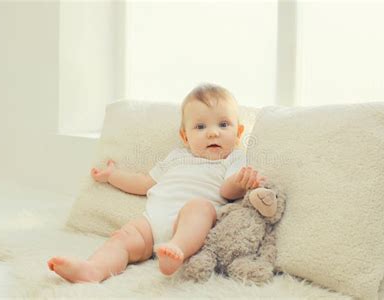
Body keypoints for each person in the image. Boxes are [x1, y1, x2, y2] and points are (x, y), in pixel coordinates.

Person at [47, 83, 265, 283]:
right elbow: (144, 183)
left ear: (238, 133)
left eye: (223, 124)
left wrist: (242, 181)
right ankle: (94, 269)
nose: (213, 133)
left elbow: (227, 190)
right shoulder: (176, 157)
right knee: (121, 238)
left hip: (192, 226)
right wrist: (113, 176)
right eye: (200, 127)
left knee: (199, 207)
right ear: (185, 136)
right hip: (152, 222)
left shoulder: (234, 158)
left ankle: (176, 250)